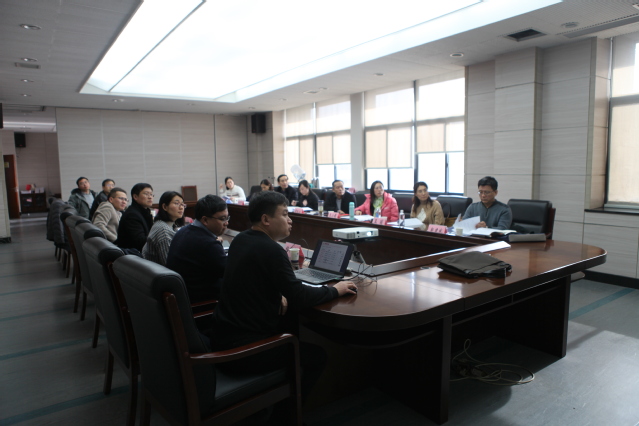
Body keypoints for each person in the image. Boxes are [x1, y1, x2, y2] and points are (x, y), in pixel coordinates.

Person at [211, 191, 357, 408]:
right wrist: (335, 290)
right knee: (317, 356)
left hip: (222, 336)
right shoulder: (272, 250)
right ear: (266, 219)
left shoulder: (241, 239)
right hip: (244, 351)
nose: (290, 220)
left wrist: (277, 294)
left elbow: (252, 279)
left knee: (290, 322)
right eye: (285, 214)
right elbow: (299, 296)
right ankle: (289, 414)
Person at [166, 195, 228, 303]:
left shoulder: (183, 231)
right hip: (202, 303)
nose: (226, 223)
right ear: (205, 220)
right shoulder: (208, 244)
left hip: (183, 297)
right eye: (222, 219)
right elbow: (230, 272)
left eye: (227, 218)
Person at [142, 191, 185, 266]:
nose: (181, 207)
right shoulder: (164, 231)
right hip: (158, 271)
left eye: (182, 204)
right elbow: (169, 264)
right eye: (176, 203)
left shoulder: (162, 223)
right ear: (165, 207)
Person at [116, 183, 154, 252]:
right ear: (135, 197)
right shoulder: (132, 215)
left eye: (151, 194)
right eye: (146, 194)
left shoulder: (144, 212)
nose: (150, 197)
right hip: (133, 255)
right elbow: (141, 242)